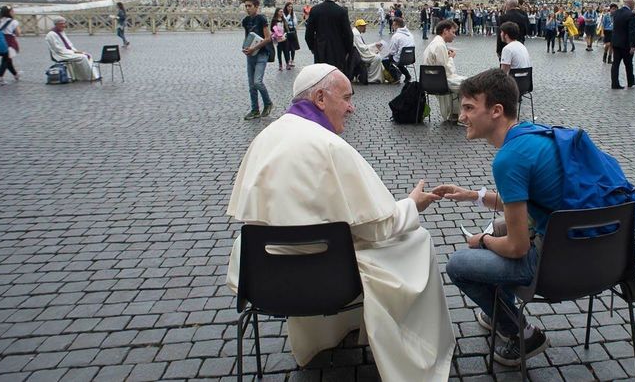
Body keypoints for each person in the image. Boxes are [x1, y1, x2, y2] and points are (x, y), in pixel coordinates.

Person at [225, 64, 455, 381]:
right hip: (331, 280)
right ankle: (419, 349)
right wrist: (411, 205)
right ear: (320, 97)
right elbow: (379, 227)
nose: (351, 107)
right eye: (346, 98)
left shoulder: (265, 138)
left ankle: (330, 332)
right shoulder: (329, 146)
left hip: (267, 279)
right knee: (417, 241)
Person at [433, 69, 557, 367]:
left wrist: (484, 241)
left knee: (459, 265)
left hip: (556, 267)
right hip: (601, 257)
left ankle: (522, 333)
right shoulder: (539, 135)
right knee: (500, 226)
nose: (462, 116)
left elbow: (517, 249)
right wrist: (472, 195)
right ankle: (500, 311)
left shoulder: (509, 158)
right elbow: (529, 203)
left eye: (469, 108)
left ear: (496, 111)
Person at [421, 20, 466, 122]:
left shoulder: (435, 43)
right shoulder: (440, 45)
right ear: (445, 31)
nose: (454, 35)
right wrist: (451, 58)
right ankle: (463, 117)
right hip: (438, 82)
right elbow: (445, 70)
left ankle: (455, 113)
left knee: (466, 81)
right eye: (453, 32)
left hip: (430, 80)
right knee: (468, 84)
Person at [305, 0, 354, 76]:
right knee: (336, 76)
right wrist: (348, 50)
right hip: (338, 50)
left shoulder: (315, 10)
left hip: (320, 49)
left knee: (321, 76)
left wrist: (313, 47)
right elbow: (348, 34)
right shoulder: (341, 11)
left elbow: (308, 33)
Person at [240, 0, 274, 120]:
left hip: (262, 54)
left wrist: (254, 48)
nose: (247, 8)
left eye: (250, 6)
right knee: (251, 85)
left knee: (257, 82)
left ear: (256, 7)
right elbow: (247, 36)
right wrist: (246, 48)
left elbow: (268, 38)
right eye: (246, 6)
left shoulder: (261, 19)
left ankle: (268, 102)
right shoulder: (245, 20)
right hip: (251, 55)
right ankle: (255, 109)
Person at [45, 16, 100, 82]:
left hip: (68, 52)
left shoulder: (62, 32)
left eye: (64, 23)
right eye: (61, 24)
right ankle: (87, 77)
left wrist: (76, 51)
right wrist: (73, 52)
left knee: (87, 55)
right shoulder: (51, 35)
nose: (63, 25)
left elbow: (69, 45)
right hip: (60, 54)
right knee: (82, 57)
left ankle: (93, 76)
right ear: (56, 24)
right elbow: (58, 49)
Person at [610, 0, 635, 89]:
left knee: (615, 64)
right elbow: (632, 32)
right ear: (631, 4)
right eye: (634, 5)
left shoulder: (616, 12)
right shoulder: (631, 15)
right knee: (628, 64)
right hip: (626, 44)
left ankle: (614, 84)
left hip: (615, 42)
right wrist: (633, 45)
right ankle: (630, 81)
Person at [381, 17, 415, 84]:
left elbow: (392, 51)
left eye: (393, 25)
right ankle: (408, 76)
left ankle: (396, 77)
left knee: (385, 60)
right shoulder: (410, 34)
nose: (392, 26)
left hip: (400, 58)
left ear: (397, 26)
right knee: (399, 59)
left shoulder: (396, 36)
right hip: (411, 58)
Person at [0, 5, 20, 85]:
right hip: (8, 42)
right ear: (8, 13)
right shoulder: (13, 22)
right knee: (5, 60)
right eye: (12, 11)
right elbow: (18, 33)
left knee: (8, 60)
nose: (14, 13)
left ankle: (16, 74)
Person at [351, 19, 383, 84]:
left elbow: (362, 47)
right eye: (363, 26)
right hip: (359, 55)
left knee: (377, 55)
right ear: (358, 27)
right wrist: (374, 45)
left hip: (358, 53)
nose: (365, 28)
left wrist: (373, 48)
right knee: (377, 58)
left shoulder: (356, 32)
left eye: (365, 26)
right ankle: (371, 78)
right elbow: (362, 48)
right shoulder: (356, 34)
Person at [281, 1, 301, 70]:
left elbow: (295, 22)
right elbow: (285, 20)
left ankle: (292, 60)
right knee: (287, 46)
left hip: (292, 31)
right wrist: (289, 14)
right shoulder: (283, 14)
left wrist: (292, 16)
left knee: (293, 47)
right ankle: (288, 60)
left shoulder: (293, 14)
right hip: (286, 31)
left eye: (291, 7)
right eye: (289, 7)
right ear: (286, 7)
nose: (290, 8)